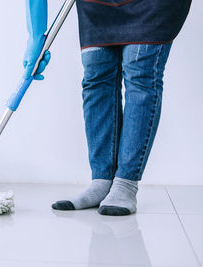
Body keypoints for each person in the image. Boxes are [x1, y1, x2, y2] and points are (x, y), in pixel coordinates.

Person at [23, 0, 191, 216]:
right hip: (96, 4)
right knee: (96, 79)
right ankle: (101, 181)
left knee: (140, 75)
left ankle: (125, 184)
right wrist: (36, 35)